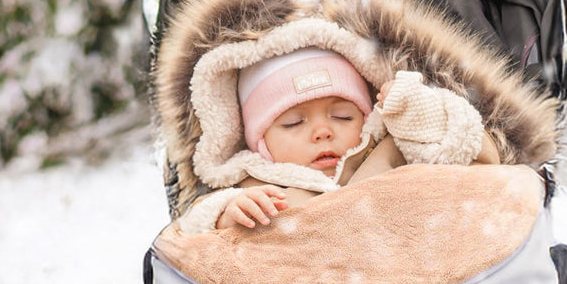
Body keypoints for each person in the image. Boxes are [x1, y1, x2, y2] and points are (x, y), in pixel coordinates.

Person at [177, 45, 499, 234]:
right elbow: (192, 230)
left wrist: (421, 115)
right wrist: (227, 213)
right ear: (260, 142)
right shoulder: (254, 186)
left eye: (343, 116)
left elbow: (482, 160)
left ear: (366, 117)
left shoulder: (391, 149)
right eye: (293, 122)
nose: (322, 131)